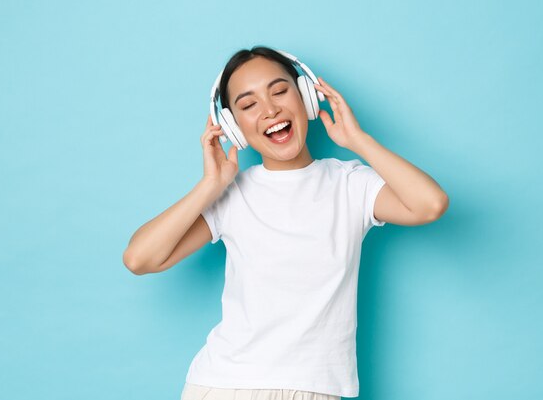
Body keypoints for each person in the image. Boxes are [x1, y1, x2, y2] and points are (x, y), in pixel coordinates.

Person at [123, 46, 449, 400]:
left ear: (306, 98)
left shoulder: (351, 184)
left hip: (315, 389)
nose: (270, 110)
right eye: (248, 105)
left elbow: (430, 205)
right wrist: (210, 185)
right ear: (233, 127)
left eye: (279, 91)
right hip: (224, 386)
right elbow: (140, 258)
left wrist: (359, 141)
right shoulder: (232, 197)